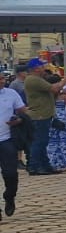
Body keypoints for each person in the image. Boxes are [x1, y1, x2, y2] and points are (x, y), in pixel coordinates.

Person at [20, 59, 64, 176]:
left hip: (44, 114)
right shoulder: (34, 80)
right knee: (39, 142)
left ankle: (45, 165)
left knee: (42, 142)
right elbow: (54, 88)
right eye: (42, 66)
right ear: (36, 68)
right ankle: (34, 166)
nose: (45, 68)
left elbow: (50, 90)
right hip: (39, 115)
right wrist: (65, 80)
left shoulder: (37, 79)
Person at [0, 76, 24, 219]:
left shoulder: (11, 94)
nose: (2, 81)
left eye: (2, 78)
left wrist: (19, 120)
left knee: (11, 174)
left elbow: (22, 112)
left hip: (6, 140)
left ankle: (9, 196)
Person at [45, 75, 66, 173]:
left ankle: (54, 162)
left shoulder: (47, 94)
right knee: (65, 140)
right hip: (64, 118)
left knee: (53, 141)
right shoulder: (64, 95)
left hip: (51, 118)